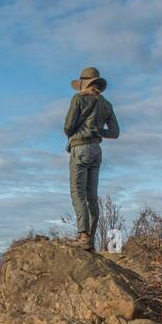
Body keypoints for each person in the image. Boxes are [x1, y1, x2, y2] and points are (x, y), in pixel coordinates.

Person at [64, 66, 120, 251]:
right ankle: (91, 238)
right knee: (91, 195)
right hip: (97, 150)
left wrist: (81, 130)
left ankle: (83, 236)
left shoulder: (78, 98)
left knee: (77, 192)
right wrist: (97, 131)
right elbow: (114, 132)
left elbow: (67, 127)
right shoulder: (106, 104)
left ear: (83, 83)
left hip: (80, 148)